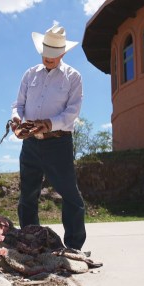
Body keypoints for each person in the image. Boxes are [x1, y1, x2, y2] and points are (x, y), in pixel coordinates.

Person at [10, 24, 86, 250]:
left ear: (62, 53)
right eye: (45, 54)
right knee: (28, 195)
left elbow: (72, 111)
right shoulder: (30, 74)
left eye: (53, 55)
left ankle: (74, 247)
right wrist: (16, 121)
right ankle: (30, 241)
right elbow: (18, 105)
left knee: (70, 195)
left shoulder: (73, 77)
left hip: (58, 143)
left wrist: (49, 124)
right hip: (30, 144)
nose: (48, 58)